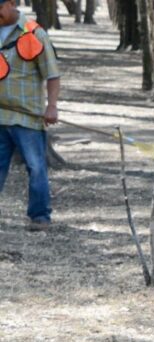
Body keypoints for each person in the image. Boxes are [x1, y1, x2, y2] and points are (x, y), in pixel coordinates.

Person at [0, 0, 58, 231]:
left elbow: (52, 74)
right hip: (0, 116)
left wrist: (52, 106)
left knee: (35, 167)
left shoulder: (34, 33)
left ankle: (40, 216)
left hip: (27, 117)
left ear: (11, 4)